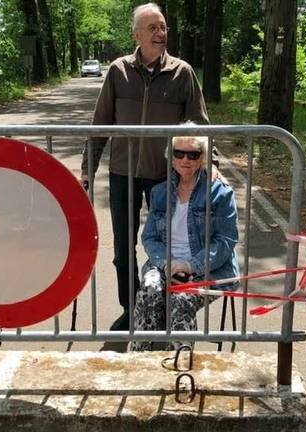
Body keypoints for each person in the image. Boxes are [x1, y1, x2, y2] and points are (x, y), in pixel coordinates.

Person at [80, 2, 209, 331]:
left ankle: (167, 309)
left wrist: (210, 169)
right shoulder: (118, 71)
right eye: (152, 28)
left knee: (169, 247)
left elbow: (201, 127)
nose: (160, 33)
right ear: (136, 34)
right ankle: (132, 308)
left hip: (166, 179)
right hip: (123, 175)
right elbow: (100, 126)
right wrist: (87, 172)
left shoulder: (183, 73)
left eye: (163, 26)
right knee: (124, 250)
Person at [129, 135, 238, 351]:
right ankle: (139, 358)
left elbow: (226, 241)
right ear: (171, 157)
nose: (185, 159)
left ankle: (180, 365)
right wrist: (166, 264)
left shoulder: (221, 193)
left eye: (193, 154)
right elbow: (149, 237)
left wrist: (190, 267)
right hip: (165, 263)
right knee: (149, 290)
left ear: (202, 157)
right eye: (179, 153)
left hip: (208, 267)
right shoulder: (160, 192)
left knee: (182, 297)